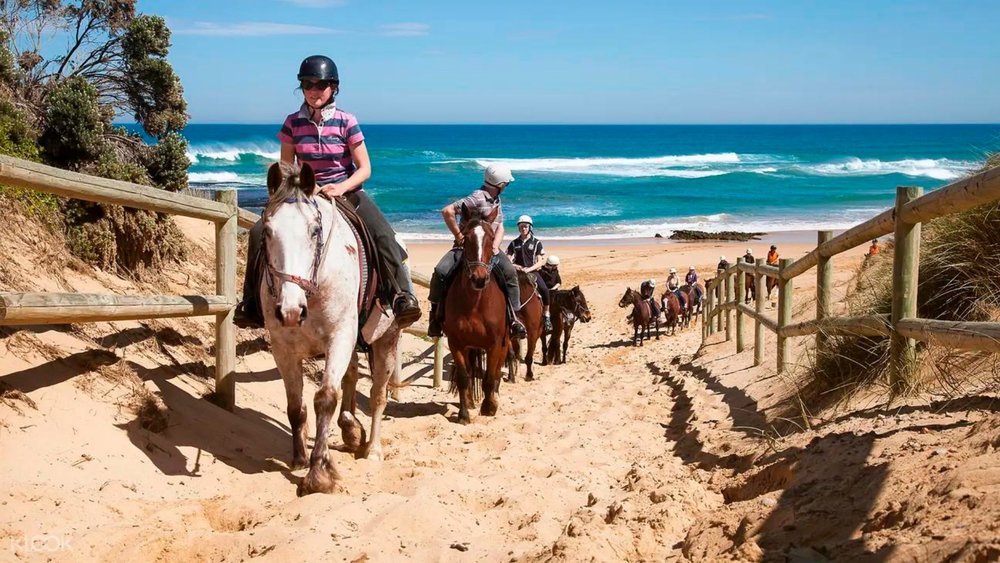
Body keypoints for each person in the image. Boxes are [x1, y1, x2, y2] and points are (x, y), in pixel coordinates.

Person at [236, 55, 420, 328]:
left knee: (382, 233)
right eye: (307, 84)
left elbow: (365, 168)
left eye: (320, 85)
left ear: (333, 87)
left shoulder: (347, 121)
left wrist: (341, 187)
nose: (313, 90)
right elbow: (287, 168)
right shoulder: (292, 123)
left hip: (345, 190)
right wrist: (303, 189)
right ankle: (251, 302)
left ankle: (401, 295)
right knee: (257, 232)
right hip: (305, 193)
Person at [427, 164, 526, 339]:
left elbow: (500, 226)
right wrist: (459, 236)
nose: (506, 187)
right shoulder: (477, 198)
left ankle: (514, 319)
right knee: (441, 271)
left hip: (490, 249)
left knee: (510, 273)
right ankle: (434, 318)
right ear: (500, 184)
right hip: (468, 248)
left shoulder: (496, 199)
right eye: (506, 184)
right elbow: (447, 211)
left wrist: (495, 245)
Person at [507, 215, 552, 332]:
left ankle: (546, 316)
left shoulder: (537, 243)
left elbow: (540, 261)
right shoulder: (514, 243)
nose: (523, 228)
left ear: (530, 227)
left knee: (544, 289)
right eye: (521, 226)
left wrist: (529, 269)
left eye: (525, 226)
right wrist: (516, 266)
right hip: (518, 272)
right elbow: (508, 259)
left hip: (532, 271)